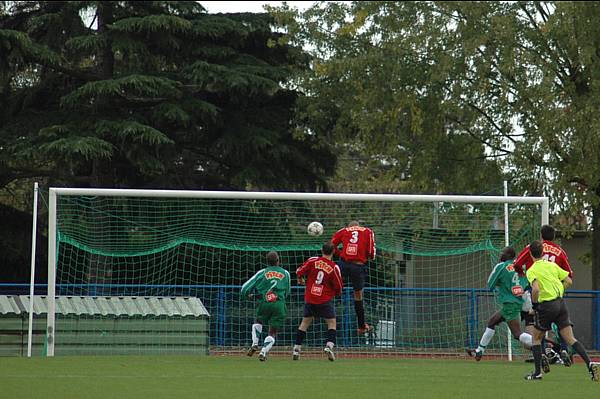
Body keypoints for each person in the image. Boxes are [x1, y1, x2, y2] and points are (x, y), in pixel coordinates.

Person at [524, 240, 598, 381]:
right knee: (570, 338)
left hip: (546, 306)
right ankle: (590, 364)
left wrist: (534, 306)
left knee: (536, 337)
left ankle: (537, 373)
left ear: (530, 254)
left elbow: (536, 289)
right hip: (560, 303)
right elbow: (569, 280)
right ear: (543, 252)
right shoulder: (552, 265)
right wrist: (559, 290)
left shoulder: (532, 270)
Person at [513, 225, 574, 365]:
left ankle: (541, 354)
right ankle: (563, 350)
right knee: (560, 323)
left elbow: (517, 264)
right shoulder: (560, 251)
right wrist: (560, 287)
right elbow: (569, 274)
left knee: (536, 323)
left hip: (537, 291)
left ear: (541, 235)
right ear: (553, 236)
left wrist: (522, 274)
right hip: (554, 292)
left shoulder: (532, 247)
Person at [467, 247, 533, 360]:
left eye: (502, 252)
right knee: (492, 321)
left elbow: (490, 285)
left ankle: (542, 346)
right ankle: (479, 351)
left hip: (510, 303)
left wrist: (502, 284)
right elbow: (526, 284)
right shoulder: (521, 267)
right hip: (519, 301)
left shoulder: (501, 266)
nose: (500, 254)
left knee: (517, 334)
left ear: (507, 255)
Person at [293, 241, 343, 361]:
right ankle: (329, 346)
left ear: (322, 251)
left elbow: (299, 271)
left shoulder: (312, 261)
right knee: (331, 323)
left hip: (310, 298)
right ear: (334, 252)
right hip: (324, 300)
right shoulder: (334, 267)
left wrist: (300, 279)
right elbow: (339, 287)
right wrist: (334, 293)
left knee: (304, 323)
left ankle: (296, 348)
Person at [240, 250, 291, 361]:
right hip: (279, 304)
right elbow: (288, 291)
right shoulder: (286, 273)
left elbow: (244, 288)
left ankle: (255, 342)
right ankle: (263, 351)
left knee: (258, 321)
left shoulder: (262, 273)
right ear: (278, 260)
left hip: (265, 303)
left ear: (267, 262)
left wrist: (247, 296)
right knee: (272, 332)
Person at [331, 220, 375, 334]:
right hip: (358, 266)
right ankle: (361, 326)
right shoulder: (367, 231)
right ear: (358, 226)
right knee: (358, 295)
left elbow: (331, 245)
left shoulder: (343, 231)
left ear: (349, 226)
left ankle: (322, 312)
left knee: (331, 288)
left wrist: (340, 253)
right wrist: (368, 256)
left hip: (343, 264)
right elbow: (371, 251)